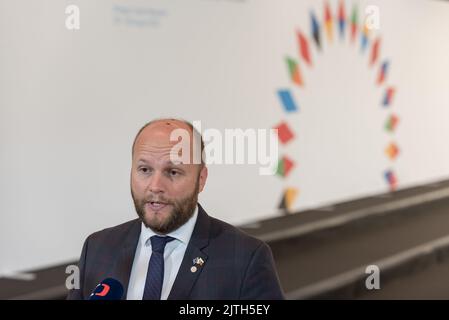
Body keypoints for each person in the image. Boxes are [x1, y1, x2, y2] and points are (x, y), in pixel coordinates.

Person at [67, 118, 284, 300]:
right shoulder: (97, 248)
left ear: (201, 179)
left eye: (173, 172)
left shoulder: (246, 259)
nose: (155, 186)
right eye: (144, 169)